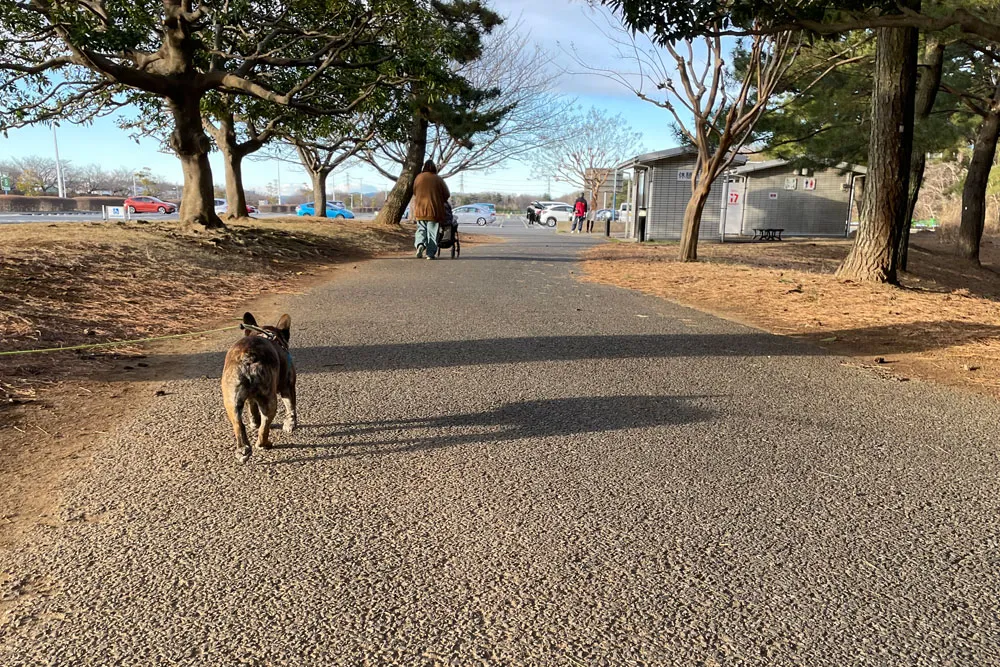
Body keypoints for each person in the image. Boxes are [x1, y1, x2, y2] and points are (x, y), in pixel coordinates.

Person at [411, 160, 450, 259]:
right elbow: (446, 194)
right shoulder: (438, 179)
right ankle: (430, 254)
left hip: (420, 209)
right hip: (434, 211)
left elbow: (415, 192)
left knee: (421, 229)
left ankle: (420, 245)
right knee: (432, 233)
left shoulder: (418, 178)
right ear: (434, 168)